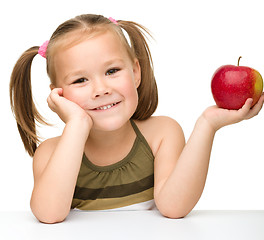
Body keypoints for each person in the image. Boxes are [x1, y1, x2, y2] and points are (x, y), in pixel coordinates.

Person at [10, 14, 264, 224]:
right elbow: (49, 215)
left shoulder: (162, 134)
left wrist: (208, 124)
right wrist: (76, 124)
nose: (101, 89)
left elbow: (174, 207)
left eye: (112, 71)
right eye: (80, 80)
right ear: (59, 94)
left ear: (135, 72)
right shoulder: (51, 153)